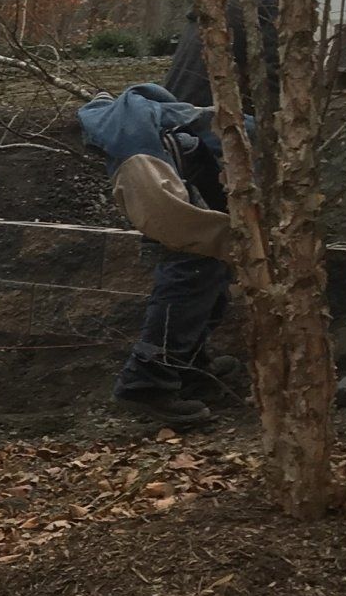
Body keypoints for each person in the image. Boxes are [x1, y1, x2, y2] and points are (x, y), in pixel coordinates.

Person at [79, 83, 239, 429]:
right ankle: (146, 383)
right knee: (194, 265)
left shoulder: (197, 128)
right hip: (149, 167)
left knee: (209, 266)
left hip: (164, 163)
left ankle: (187, 368)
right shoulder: (259, 142)